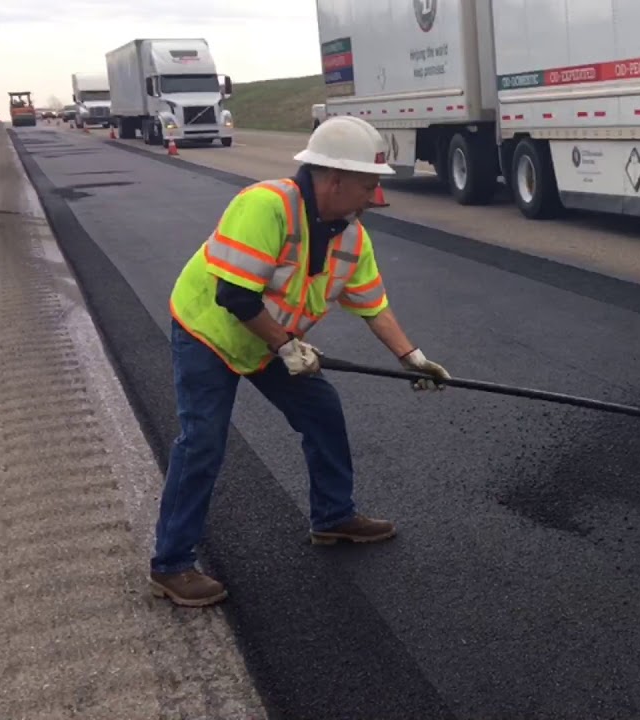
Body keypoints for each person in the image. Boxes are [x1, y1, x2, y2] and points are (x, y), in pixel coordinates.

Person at [148, 116, 450, 607]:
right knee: (202, 440)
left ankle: (333, 516)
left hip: (271, 343)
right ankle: (171, 564)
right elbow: (235, 296)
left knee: (322, 411)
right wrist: (287, 347)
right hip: (210, 331)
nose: (375, 197)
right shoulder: (265, 205)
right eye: (368, 185)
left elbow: (373, 305)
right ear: (334, 178)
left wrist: (412, 357)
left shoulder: (351, 236)